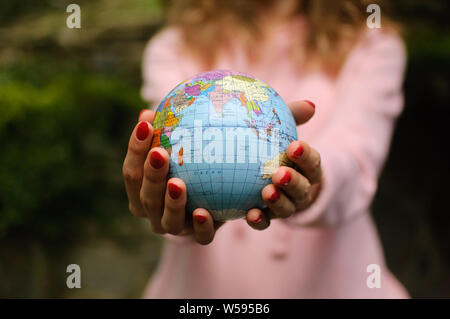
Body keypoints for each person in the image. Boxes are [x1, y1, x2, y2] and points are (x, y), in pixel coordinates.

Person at [122, 0, 409, 298]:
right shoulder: (175, 46)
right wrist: (166, 203)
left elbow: (356, 158)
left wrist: (311, 180)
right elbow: (171, 156)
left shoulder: (371, 44)